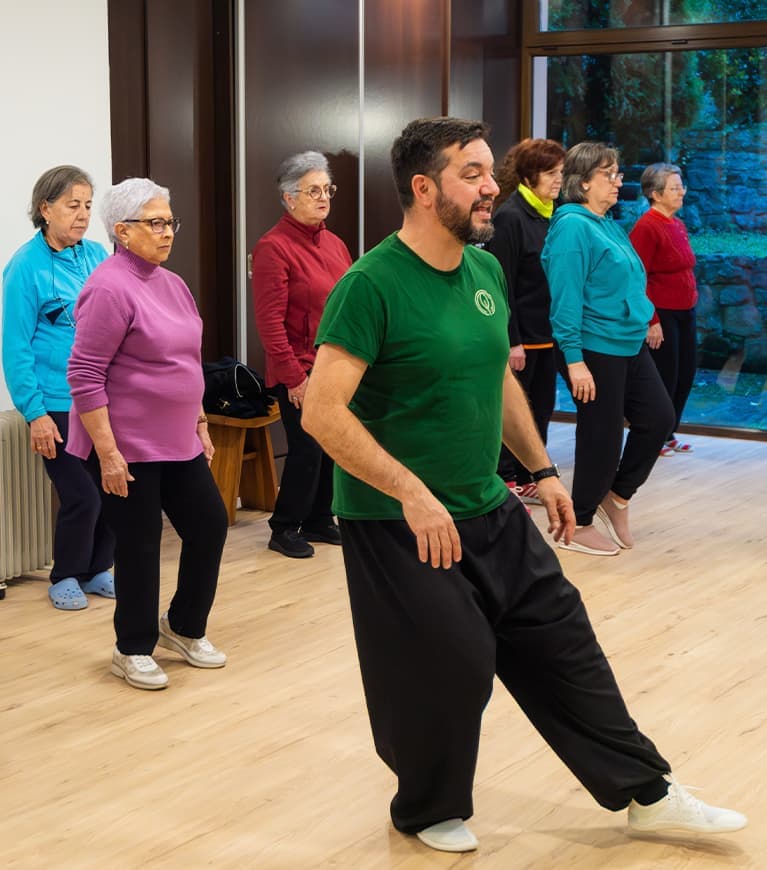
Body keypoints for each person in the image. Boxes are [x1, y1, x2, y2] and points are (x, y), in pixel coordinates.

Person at [301, 117, 746, 854]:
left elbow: (499, 382)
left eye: (489, 173)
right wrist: (410, 491)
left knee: (565, 645)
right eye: (472, 174)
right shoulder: (370, 284)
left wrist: (541, 471)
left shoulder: (483, 272)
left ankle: (649, 793)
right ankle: (425, 805)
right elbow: (322, 411)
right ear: (422, 188)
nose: (490, 188)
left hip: (486, 504)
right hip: (399, 521)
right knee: (450, 665)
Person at [66, 177, 228, 690]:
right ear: (122, 231)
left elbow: (188, 362)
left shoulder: (172, 283)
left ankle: (181, 627)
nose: (166, 233)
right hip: (126, 445)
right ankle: (131, 647)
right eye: (154, 224)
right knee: (139, 543)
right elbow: (84, 374)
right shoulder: (108, 287)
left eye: (169, 222)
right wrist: (108, 454)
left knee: (209, 525)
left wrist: (199, 421)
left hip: (177, 439)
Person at [541, 142, 675, 556]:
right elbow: (564, 299)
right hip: (595, 348)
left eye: (617, 174)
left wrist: (648, 316)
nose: (619, 182)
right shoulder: (571, 226)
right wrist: (575, 359)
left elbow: (630, 279)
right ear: (582, 182)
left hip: (628, 344)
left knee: (659, 419)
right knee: (601, 435)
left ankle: (616, 498)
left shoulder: (605, 223)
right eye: (609, 175)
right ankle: (578, 521)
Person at [2, 165, 115, 610]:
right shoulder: (25, 266)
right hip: (55, 402)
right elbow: (15, 348)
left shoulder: (97, 257)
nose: (83, 214)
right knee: (81, 495)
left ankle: (97, 568)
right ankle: (65, 573)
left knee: (110, 487)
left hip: (99, 399)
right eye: (73, 205)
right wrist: (34, 413)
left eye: (88, 205)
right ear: (45, 209)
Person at [251, 151, 352, 558]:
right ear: (289, 198)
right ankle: (284, 526)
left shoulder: (335, 243)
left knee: (332, 445)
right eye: (313, 191)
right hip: (297, 368)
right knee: (307, 448)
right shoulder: (273, 247)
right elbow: (270, 322)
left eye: (327, 189)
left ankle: (319, 518)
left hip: (333, 365)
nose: (323, 197)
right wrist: (295, 378)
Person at [484, 138, 565, 501]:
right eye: (551, 173)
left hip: (549, 334)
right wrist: (512, 339)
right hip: (521, 337)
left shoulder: (555, 213)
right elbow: (502, 284)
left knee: (542, 408)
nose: (558, 179)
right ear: (529, 177)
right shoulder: (510, 217)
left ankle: (532, 472)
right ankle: (505, 479)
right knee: (513, 410)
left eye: (560, 172)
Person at [630, 163, 698, 456]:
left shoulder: (677, 224)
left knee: (686, 373)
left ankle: (668, 431)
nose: (681, 191)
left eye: (681, 186)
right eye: (674, 187)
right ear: (655, 195)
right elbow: (636, 276)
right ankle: (652, 433)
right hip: (662, 313)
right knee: (665, 375)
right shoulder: (646, 227)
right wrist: (651, 320)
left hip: (686, 310)